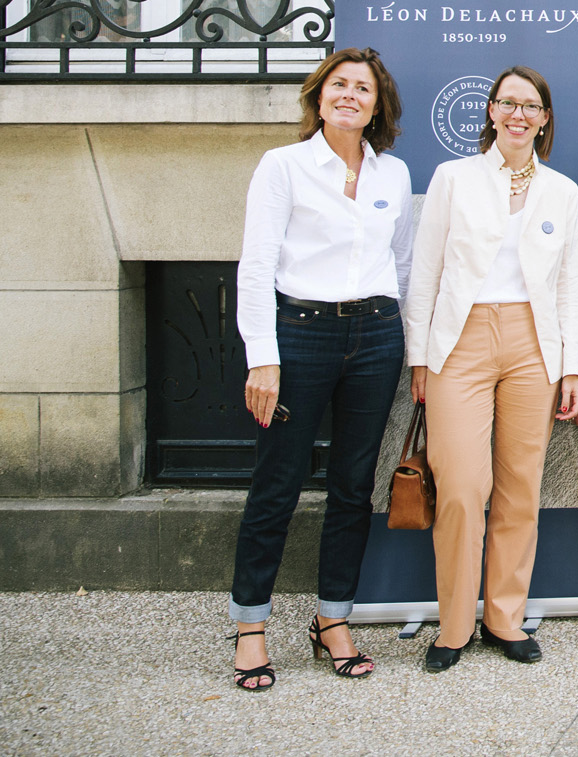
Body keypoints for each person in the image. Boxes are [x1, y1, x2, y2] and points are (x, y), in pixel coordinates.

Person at [227, 48, 412, 690]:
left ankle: (333, 620)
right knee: (276, 483)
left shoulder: (394, 174)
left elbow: (405, 268)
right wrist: (263, 358)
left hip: (377, 336)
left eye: (363, 88)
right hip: (299, 334)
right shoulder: (283, 166)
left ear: (377, 105)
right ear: (319, 95)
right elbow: (255, 267)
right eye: (339, 85)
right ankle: (251, 628)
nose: (350, 96)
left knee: (354, 486)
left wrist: (409, 349)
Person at [405, 65, 578, 673]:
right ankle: (454, 626)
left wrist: (572, 369)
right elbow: (424, 272)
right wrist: (420, 359)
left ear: (544, 119)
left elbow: (568, 286)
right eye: (508, 103)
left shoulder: (560, 190)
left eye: (530, 106)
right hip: (459, 342)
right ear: (490, 111)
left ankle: (504, 619)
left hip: (534, 345)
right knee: (461, 487)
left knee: (520, 487)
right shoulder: (453, 178)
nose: (518, 114)